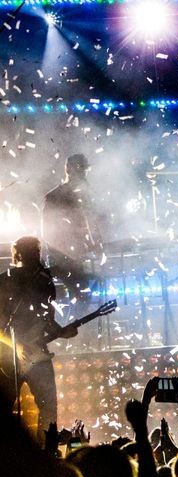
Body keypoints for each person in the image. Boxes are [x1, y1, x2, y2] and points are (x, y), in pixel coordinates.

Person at [0, 236, 78, 435]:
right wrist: (16, 346)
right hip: (8, 357)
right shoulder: (5, 280)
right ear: (19, 255)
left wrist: (61, 332)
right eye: (31, 252)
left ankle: (47, 451)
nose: (36, 256)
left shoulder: (46, 282)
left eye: (37, 252)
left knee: (49, 408)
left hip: (39, 354)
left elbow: (48, 321)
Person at [42, 153, 102, 283]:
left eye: (84, 170)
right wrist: (62, 255)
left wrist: (97, 246)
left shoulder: (87, 196)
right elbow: (47, 232)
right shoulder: (54, 197)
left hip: (81, 257)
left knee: (84, 294)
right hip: (62, 259)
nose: (83, 174)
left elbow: (93, 223)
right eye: (80, 169)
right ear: (68, 170)